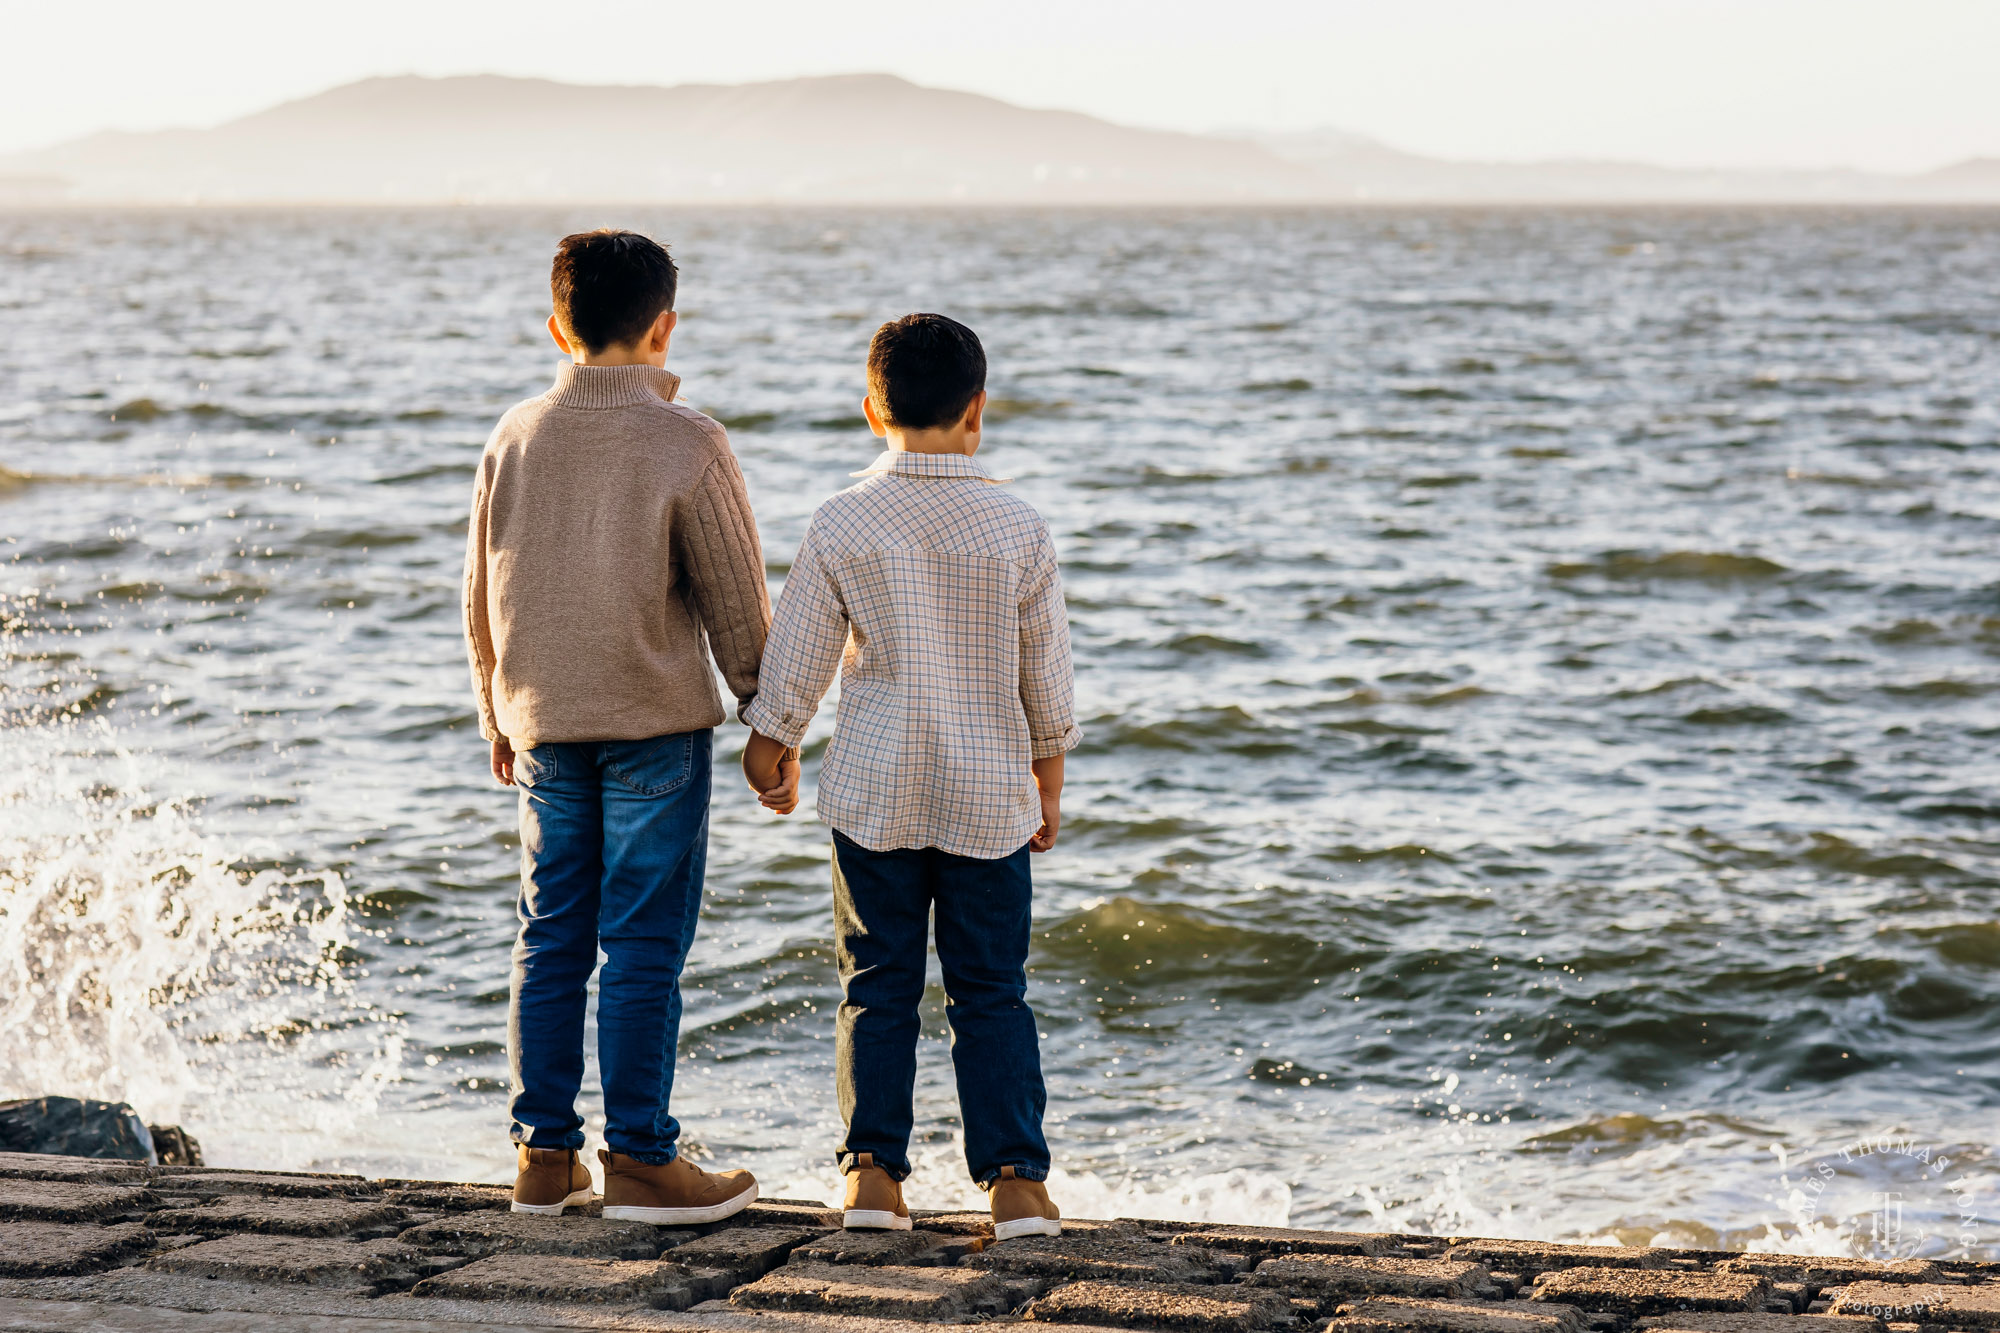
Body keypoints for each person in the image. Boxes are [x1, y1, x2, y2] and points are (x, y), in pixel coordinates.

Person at [741, 313, 1078, 1241]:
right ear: (978, 411)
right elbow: (1044, 675)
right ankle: (1014, 1181)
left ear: (869, 411)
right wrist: (1047, 782)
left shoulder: (842, 519)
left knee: (876, 982)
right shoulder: (1018, 524)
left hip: (875, 791)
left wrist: (771, 742)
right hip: (987, 795)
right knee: (991, 989)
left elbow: (801, 652)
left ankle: (873, 1179)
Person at [463, 228, 774, 1223]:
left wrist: (497, 711)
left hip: (545, 723)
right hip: (653, 729)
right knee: (640, 943)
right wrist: (772, 724)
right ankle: (641, 1158)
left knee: (549, 936)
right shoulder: (689, 441)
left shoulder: (512, 433)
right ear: (664, 326)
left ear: (556, 325)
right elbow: (736, 606)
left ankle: (543, 1160)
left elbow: (481, 591)